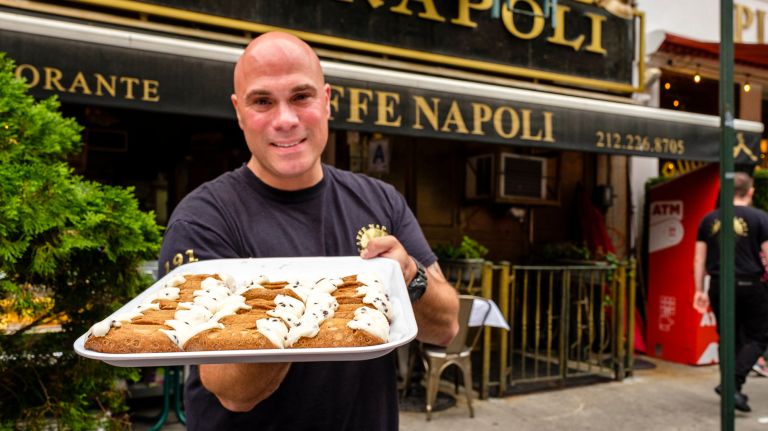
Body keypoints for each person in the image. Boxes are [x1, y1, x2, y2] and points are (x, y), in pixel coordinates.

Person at [157, 31, 460, 430]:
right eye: (263, 101)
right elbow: (231, 389)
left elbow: (447, 328)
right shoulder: (203, 219)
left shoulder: (381, 200)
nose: (286, 120)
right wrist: (294, 306)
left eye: (301, 97)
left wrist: (409, 276)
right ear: (239, 111)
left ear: (327, 101)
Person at [693, 172, 768, 413]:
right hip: (750, 284)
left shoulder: (709, 219)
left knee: (728, 336)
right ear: (751, 191)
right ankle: (732, 383)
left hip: (718, 284)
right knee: (760, 336)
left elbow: (698, 259)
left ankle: (732, 390)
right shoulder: (760, 218)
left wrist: (698, 290)